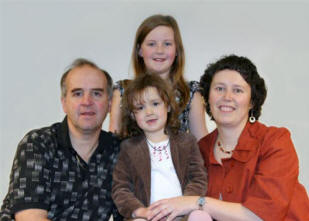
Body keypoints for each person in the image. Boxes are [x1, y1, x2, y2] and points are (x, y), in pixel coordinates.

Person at [147, 55, 309, 221]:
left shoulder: (275, 141)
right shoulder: (199, 150)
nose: (227, 97)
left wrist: (198, 202)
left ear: (252, 101)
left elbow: (261, 216)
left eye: (237, 90)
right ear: (207, 98)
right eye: (219, 89)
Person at [0, 58, 123, 221]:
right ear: (64, 103)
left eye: (96, 93)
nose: (87, 102)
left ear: (109, 104)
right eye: (77, 93)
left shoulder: (119, 152)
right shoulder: (38, 144)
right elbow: (30, 217)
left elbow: (128, 212)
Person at [111, 74, 211, 221]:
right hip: (147, 216)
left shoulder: (187, 142)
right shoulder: (128, 148)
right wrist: (139, 211)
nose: (149, 112)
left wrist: (184, 204)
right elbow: (121, 188)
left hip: (182, 213)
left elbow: (198, 178)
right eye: (140, 107)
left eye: (155, 104)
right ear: (133, 115)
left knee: (201, 216)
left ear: (168, 106)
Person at [109, 14, 208, 141]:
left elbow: (202, 144)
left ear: (177, 50)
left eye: (167, 44)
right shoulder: (123, 90)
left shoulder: (190, 93)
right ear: (139, 50)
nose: (160, 50)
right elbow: (113, 141)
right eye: (151, 44)